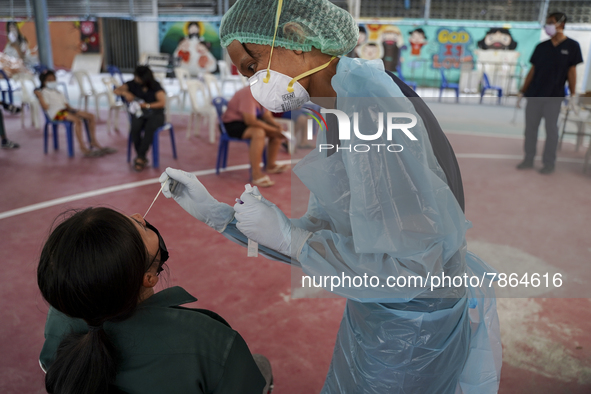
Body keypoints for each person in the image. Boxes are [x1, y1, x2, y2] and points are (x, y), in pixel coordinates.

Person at [160, 0, 502, 393]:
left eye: (252, 67)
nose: (252, 84)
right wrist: (222, 217)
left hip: (414, 331)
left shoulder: (371, 112)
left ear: (296, 38)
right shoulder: (338, 105)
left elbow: (414, 269)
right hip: (384, 313)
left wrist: (293, 238)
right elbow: (334, 235)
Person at [38, 207, 272, 394]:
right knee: (260, 365)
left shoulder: (61, 314)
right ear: (148, 277)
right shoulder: (210, 340)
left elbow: (49, 364)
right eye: (139, 228)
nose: (140, 216)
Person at [516, 12, 583, 174]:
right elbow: (532, 71)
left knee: (551, 130)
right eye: (547, 22)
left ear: (561, 24)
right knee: (530, 129)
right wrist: (522, 91)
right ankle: (528, 158)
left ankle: (549, 163)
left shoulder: (572, 46)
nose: (548, 26)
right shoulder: (541, 47)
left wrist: (573, 95)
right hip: (534, 95)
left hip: (554, 97)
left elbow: (572, 72)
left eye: (551, 22)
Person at [35, 70, 116, 157]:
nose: (53, 81)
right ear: (44, 82)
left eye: (54, 79)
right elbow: (46, 107)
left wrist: (74, 111)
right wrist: (39, 96)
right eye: (49, 80)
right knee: (77, 121)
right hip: (56, 113)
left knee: (91, 116)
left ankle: (93, 141)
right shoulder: (43, 93)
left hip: (65, 111)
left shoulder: (58, 92)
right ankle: (82, 147)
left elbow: (66, 105)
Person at [221, 85, 288, 187]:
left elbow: (266, 115)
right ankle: (256, 174)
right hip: (233, 124)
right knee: (258, 133)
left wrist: (276, 126)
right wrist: (273, 129)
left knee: (277, 132)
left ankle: (271, 165)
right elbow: (250, 120)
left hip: (248, 122)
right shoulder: (248, 93)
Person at [114, 66, 167, 171]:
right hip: (139, 114)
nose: (136, 78)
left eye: (138, 77)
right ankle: (141, 156)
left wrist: (146, 105)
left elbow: (162, 103)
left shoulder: (155, 86)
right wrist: (125, 93)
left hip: (155, 114)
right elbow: (116, 90)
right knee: (135, 128)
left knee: (150, 128)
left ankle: (141, 156)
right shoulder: (132, 84)